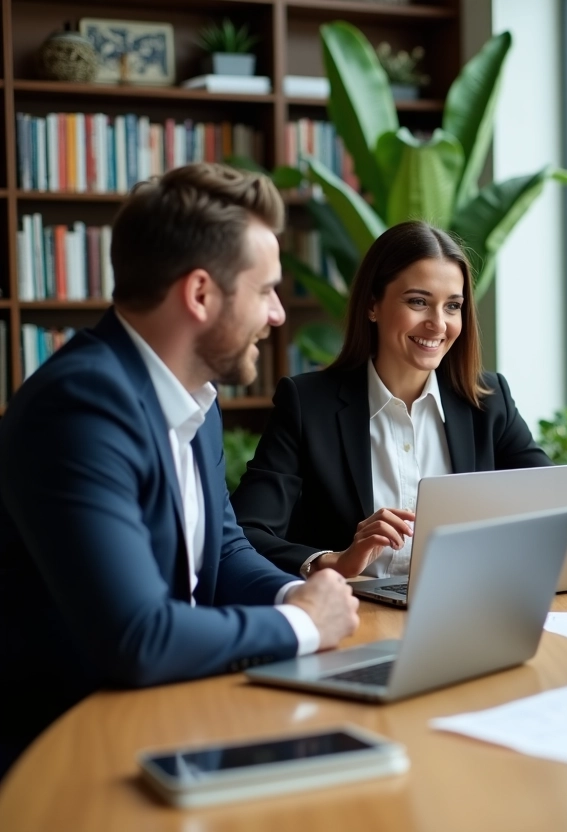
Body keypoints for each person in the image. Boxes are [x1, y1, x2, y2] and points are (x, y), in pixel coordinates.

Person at [0, 164, 360, 774]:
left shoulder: (193, 395)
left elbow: (220, 550)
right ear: (200, 294)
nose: (277, 314)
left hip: (170, 716)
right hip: (69, 758)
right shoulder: (82, 406)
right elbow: (137, 638)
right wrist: (300, 624)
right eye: (265, 290)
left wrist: (293, 590)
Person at [232, 220, 551, 580]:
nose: (438, 324)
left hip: (468, 604)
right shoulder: (308, 404)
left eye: (452, 306)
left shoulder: (490, 403)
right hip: (356, 616)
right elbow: (246, 531)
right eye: (418, 301)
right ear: (372, 305)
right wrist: (333, 559)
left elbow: (557, 507)